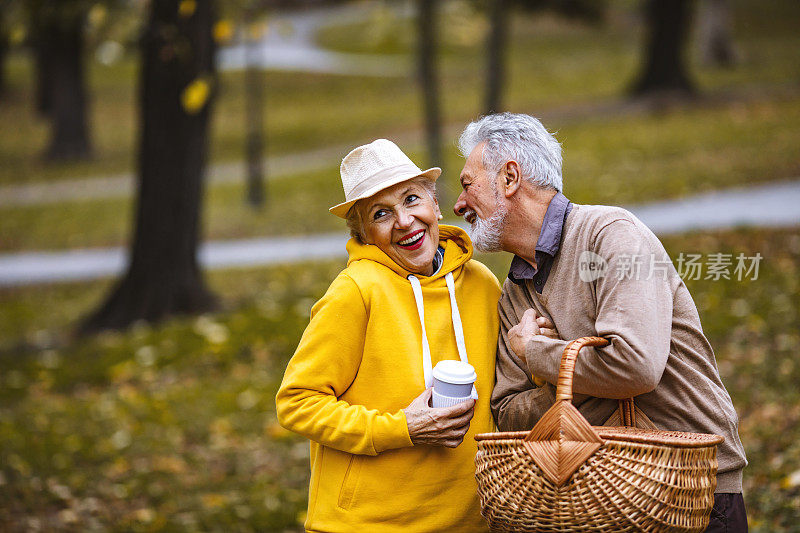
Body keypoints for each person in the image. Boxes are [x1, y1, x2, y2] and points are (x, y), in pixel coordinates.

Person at [452, 113, 748, 532]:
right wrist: (578, 370)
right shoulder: (515, 291)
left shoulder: (612, 235)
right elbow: (507, 413)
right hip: (597, 502)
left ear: (510, 177)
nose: (459, 204)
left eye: (468, 184)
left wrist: (534, 354)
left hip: (692, 491)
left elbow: (634, 367)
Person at [276, 139, 500, 532]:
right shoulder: (356, 291)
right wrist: (401, 429)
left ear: (435, 204)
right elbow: (298, 402)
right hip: (368, 523)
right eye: (382, 213)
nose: (404, 221)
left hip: (472, 521)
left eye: (412, 199)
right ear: (364, 234)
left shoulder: (481, 283)